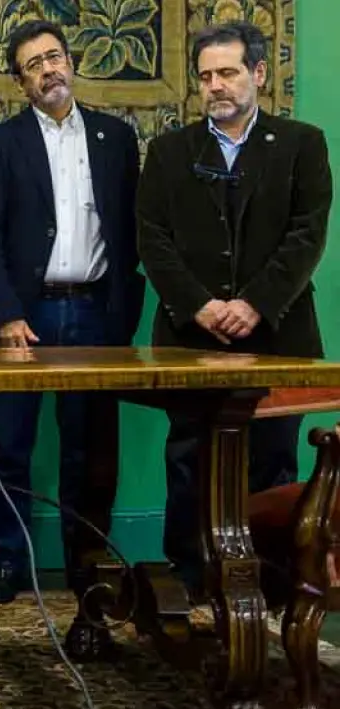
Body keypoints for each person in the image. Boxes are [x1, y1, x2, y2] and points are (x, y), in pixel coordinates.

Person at [136, 22, 332, 590]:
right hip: (191, 338)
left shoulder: (303, 144)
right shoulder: (169, 152)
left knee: (272, 460)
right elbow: (152, 238)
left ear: (259, 74)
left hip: (278, 335)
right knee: (188, 458)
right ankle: (190, 577)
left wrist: (254, 304)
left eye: (227, 72)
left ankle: (271, 583)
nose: (215, 86)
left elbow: (307, 235)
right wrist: (199, 305)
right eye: (205, 76)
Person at [0, 20, 143, 608]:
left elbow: (132, 232)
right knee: (9, 446)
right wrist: (5, 314)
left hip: (95, 313)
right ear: (20, 83)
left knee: (89, 450)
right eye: (33, 65)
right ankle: (7, 563)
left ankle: (87, 565)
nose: (48, 70)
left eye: (54, 57)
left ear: (71, 61)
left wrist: (120, 317)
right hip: (26, 316)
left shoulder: (116, 138)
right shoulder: (1, 143)